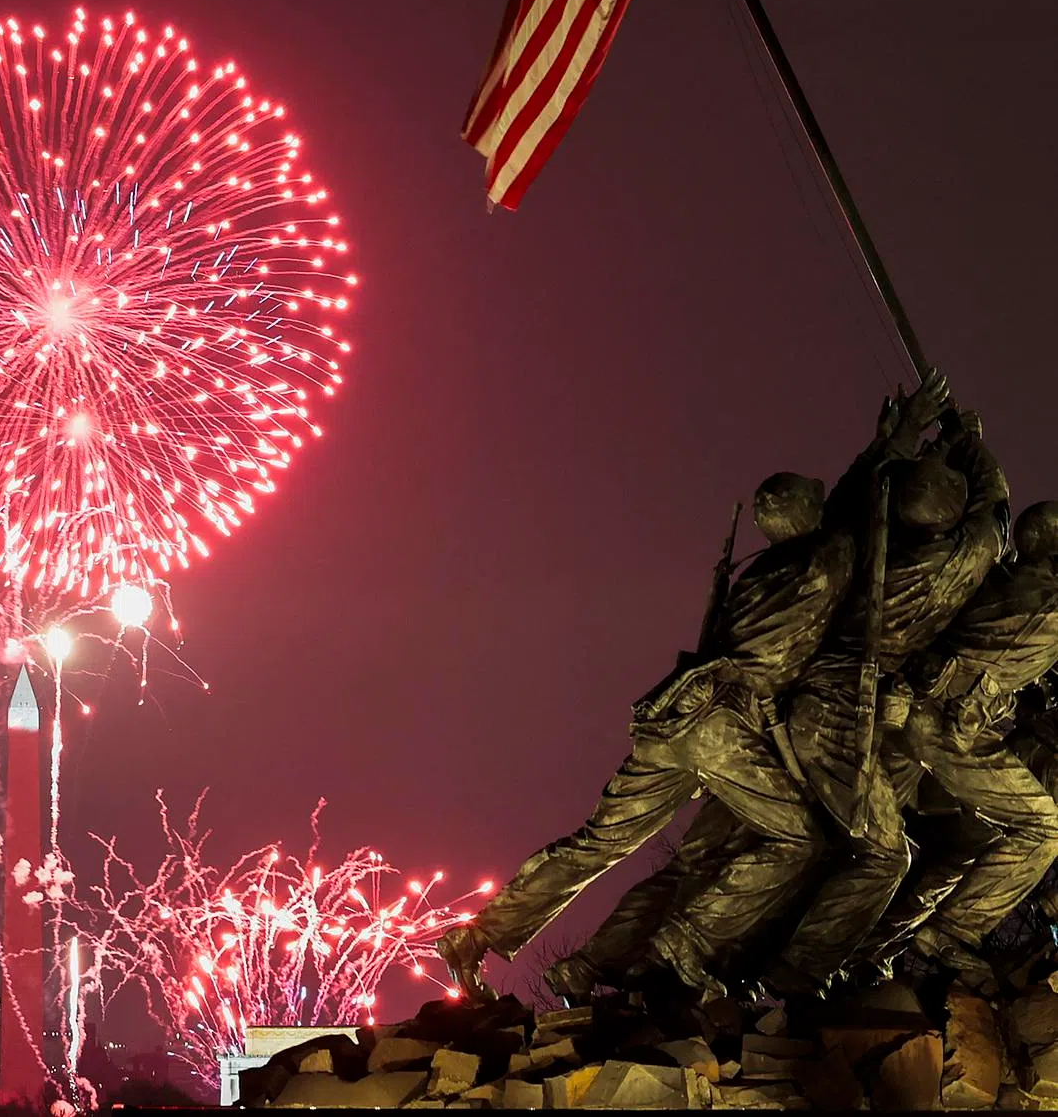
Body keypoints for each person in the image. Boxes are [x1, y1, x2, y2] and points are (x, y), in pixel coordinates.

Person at [437, 375, 950, 1003]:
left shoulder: (761, 571)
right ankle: (684, 948)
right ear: (806, 518)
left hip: (672, 715)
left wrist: (891, 440)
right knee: (800, 838)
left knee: (599, 842)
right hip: (720, 725)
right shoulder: (824, 560)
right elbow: (855, 505)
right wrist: (894, 442)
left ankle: (477, 936)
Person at [651, 401, 1011, 997]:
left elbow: (843, 501)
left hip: (804, 708)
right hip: (847, 715)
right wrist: (969, 440)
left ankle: (742, 960)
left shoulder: (858, 543)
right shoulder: (950, 563)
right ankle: (792, 972)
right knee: (883, 855)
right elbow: (995, 512)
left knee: (810, 840)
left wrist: (895, 442)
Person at [853, 501, 1058, 986]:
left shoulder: (1001, 583)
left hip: (921, 718)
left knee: (936, 858)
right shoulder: (1049, 598)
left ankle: (867, 951)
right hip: (947, 727)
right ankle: (952, 932)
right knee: (1044, 826)